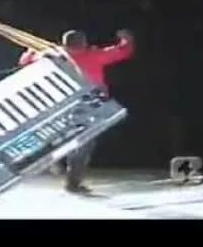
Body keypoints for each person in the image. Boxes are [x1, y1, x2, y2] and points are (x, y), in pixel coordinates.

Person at [18, 28, 135, 194]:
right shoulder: (93, 55)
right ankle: (72, 182)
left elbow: (25, 62)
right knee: (83, 143)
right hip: (87, 105)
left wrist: (31, 51)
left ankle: (54, 161)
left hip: (59, 105)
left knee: (59, 137)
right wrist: (126, 39)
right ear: (84, 43)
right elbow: (123, 51)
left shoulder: (50, 56)